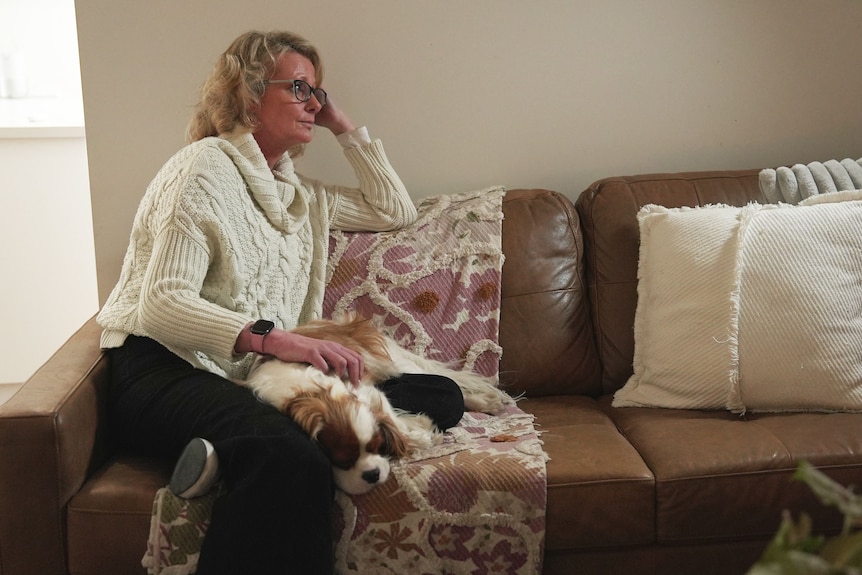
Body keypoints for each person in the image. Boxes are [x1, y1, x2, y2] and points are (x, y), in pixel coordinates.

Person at [97, 30, 465, 575]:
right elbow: (161, 305)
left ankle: (222, 456)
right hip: (161, 366)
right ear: (249, 97)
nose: (312, 103)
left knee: (441, 394)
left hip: (243, 380)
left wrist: (342, 124)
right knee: (289, 456)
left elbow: (395, 211)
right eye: (298, 88)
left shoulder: (300, 195)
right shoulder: (201, 169)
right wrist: (277, 339)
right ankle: (242, 446)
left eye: (318, 92)